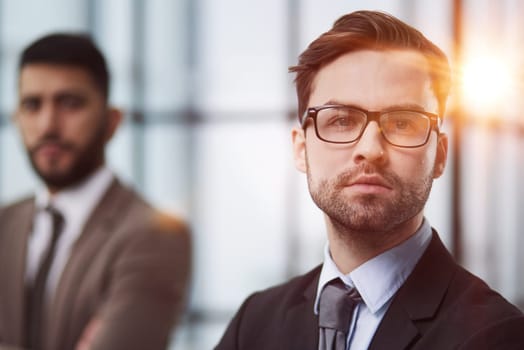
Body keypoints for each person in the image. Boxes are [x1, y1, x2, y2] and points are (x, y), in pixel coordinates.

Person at [215, 10, 524, 350]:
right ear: (301, 150)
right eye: (342, 120)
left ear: (439, 155)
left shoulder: (496, 335)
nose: (370, 149)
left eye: (404, 123)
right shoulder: (255, 323)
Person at [0, 33, 191, 350]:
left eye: (70, 104)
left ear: (111, 121)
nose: (48, 125)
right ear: (16, 119)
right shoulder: (3, 224)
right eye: (32, 105)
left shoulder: (156, 234)